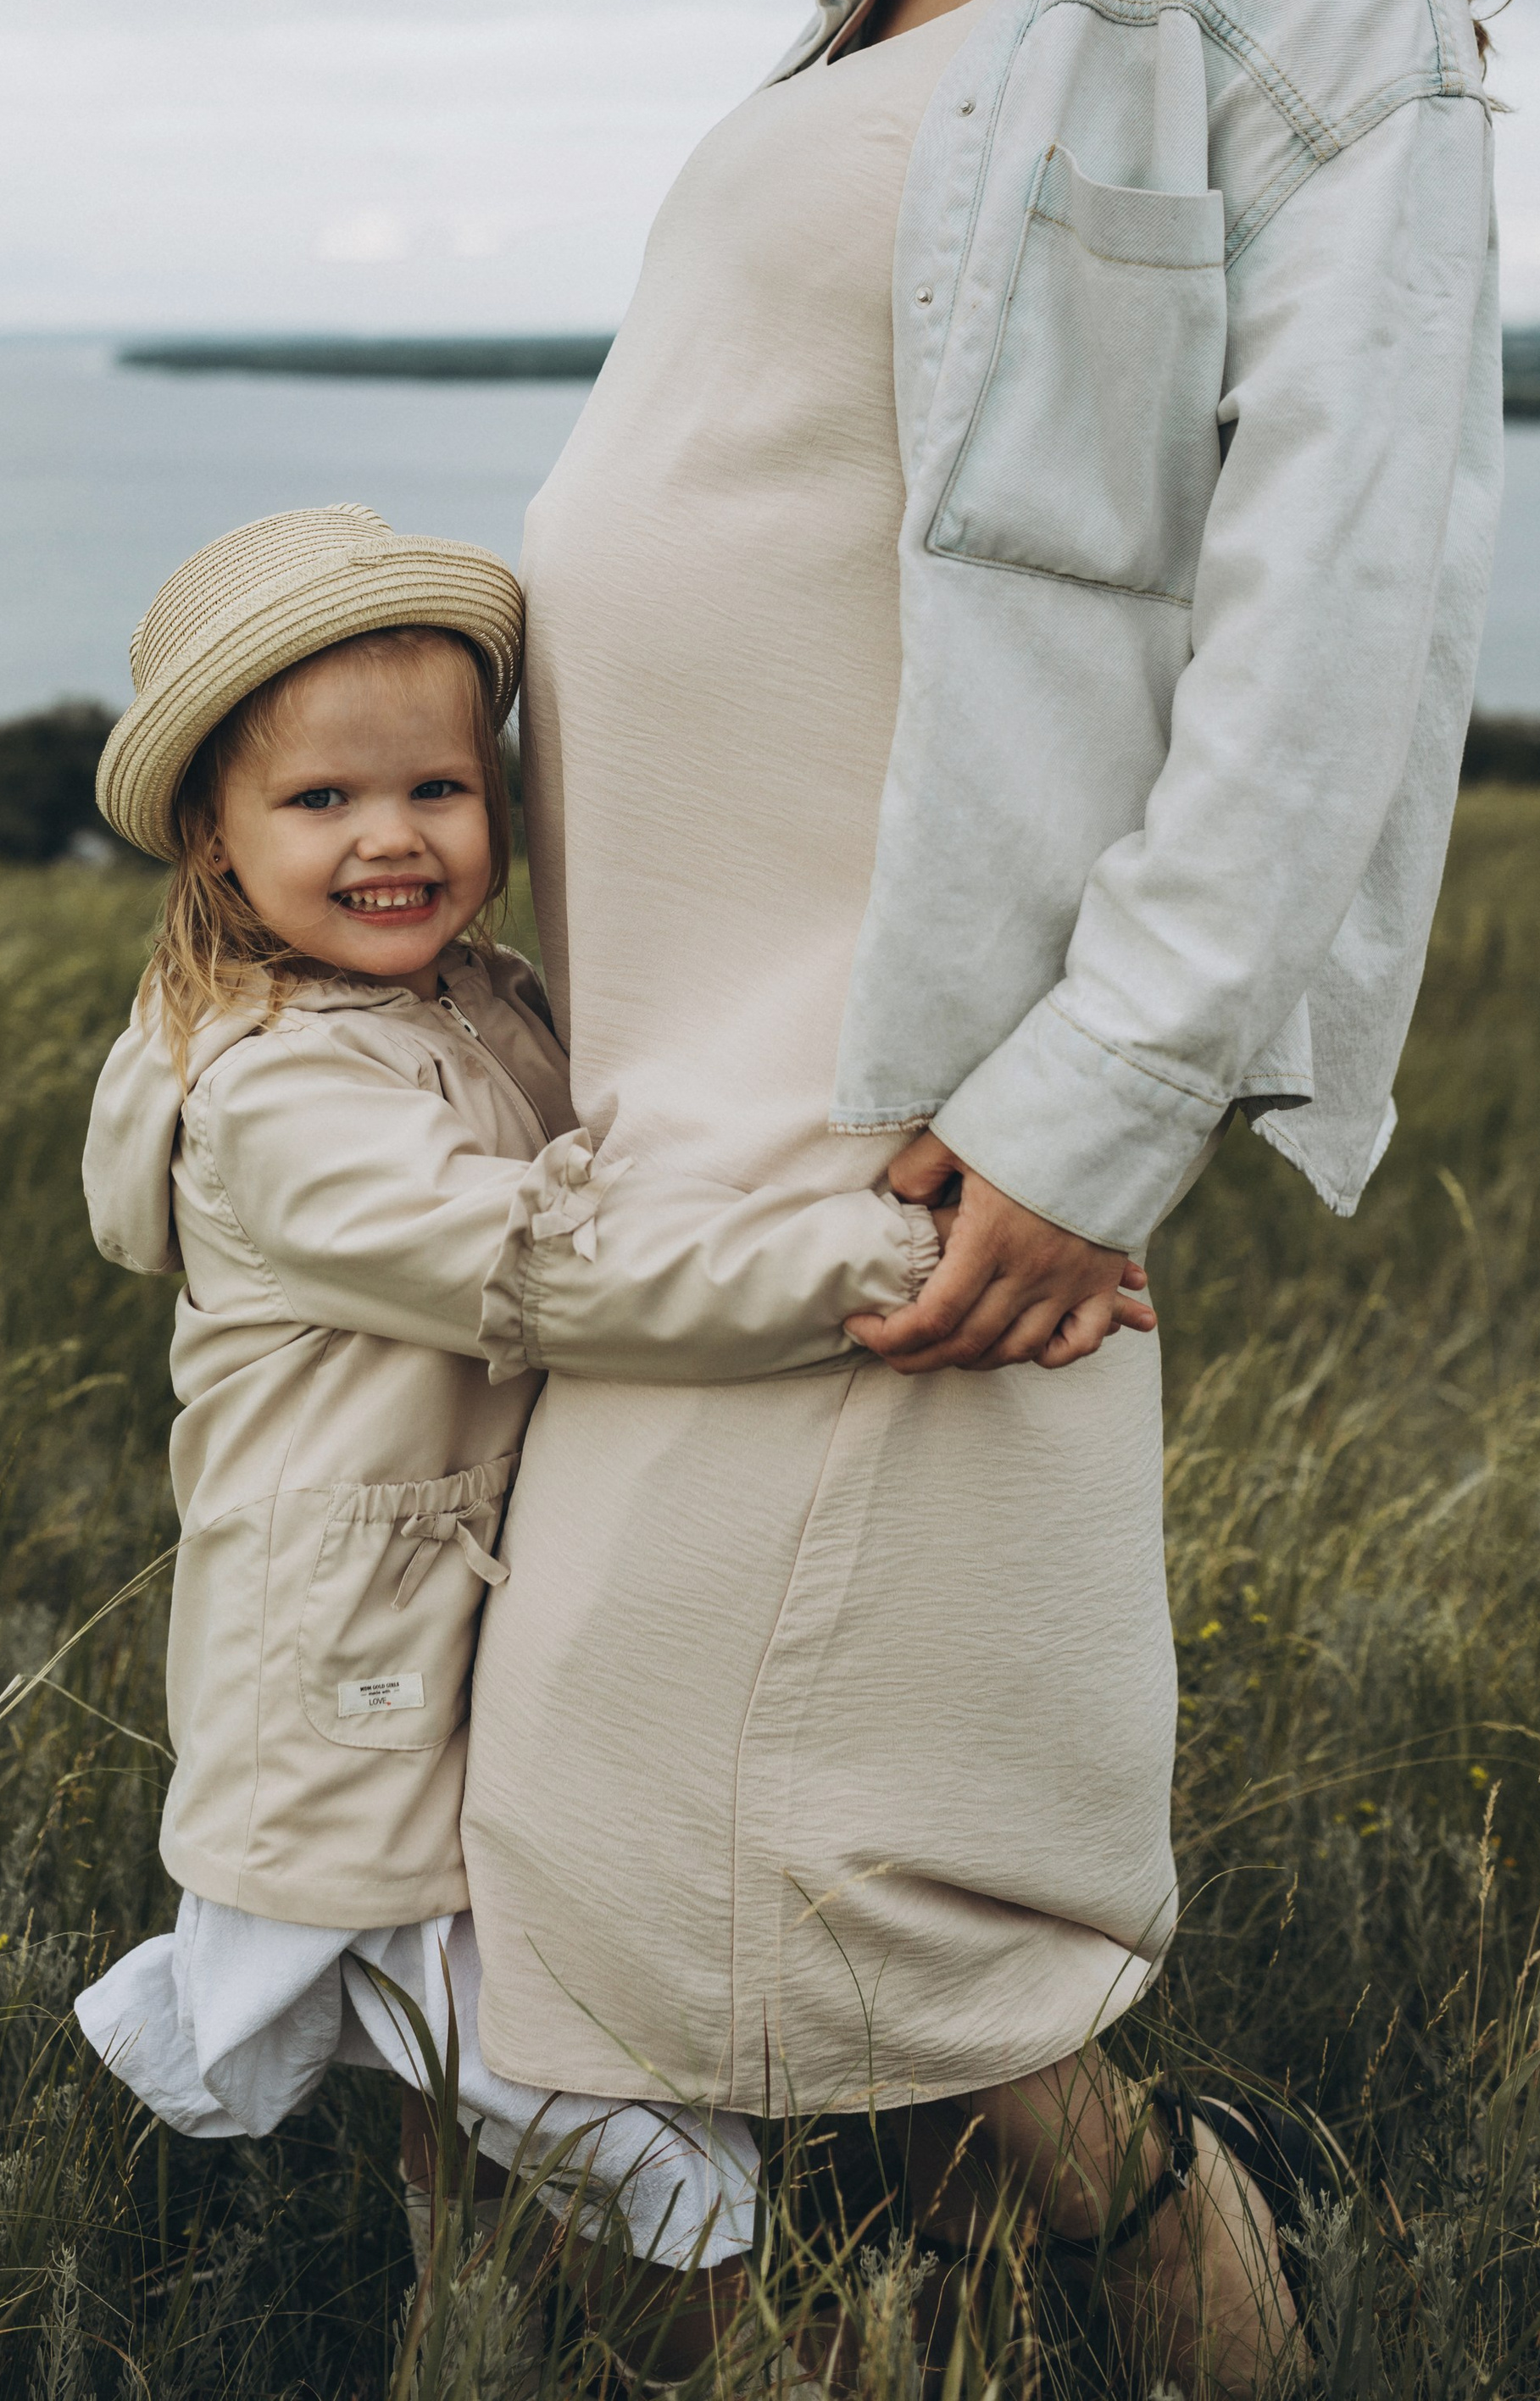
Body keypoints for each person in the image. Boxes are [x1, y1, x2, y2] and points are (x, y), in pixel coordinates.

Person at [459, 0, 1526, 2396]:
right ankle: (1093, 2278)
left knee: (747, 1871)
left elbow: (1352, 570)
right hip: (673, 1025)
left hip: (912, 1049)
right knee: (666, 1856)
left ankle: (1165, 2282)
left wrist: (1111, 1085)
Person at [69, 503, 953, 2293]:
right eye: (320, 803)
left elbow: (627, 1175)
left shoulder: (481, 996)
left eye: (437, 792)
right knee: (390, 1916)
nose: (390, 840)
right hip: (346, 1613)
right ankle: (516, 2147)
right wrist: (878, 1261)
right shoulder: (274, 1104)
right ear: (215, 848)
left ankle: (489, 2244)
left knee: (485, 1896)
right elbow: (560, 1270)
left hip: (465, 1574)